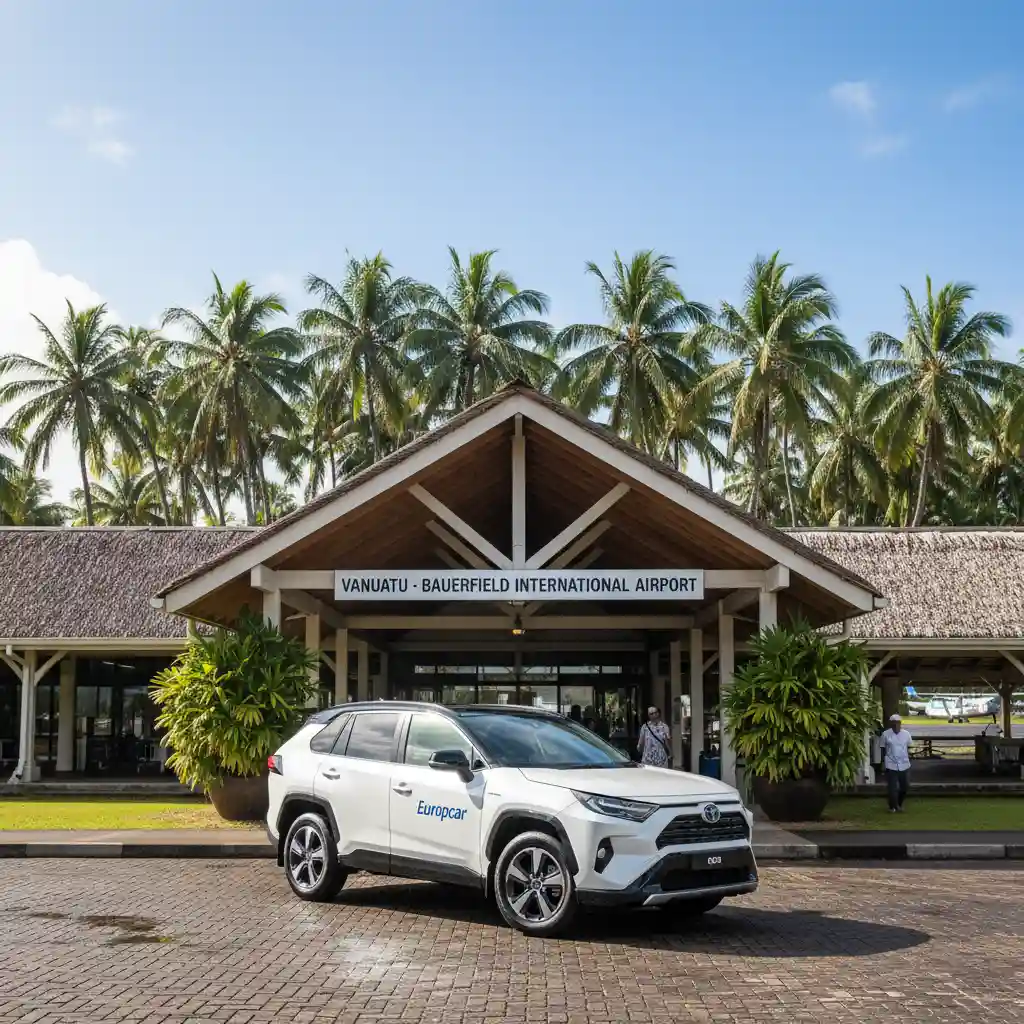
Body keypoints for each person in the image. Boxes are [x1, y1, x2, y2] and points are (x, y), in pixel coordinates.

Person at [880, 713, 913, 812]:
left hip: (904, 763)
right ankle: (893, 807)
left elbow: (909, 747)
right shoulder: (885, 734)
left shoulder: (906, 734)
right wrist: (882, 763)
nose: (896, 725)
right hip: (891, 763)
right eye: (893, 723)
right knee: (892, 788)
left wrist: (910, 759)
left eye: (898, 723)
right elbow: (882, 749)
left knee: (905, 786)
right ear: (891, 724)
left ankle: (898, 804)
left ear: (900, 723)